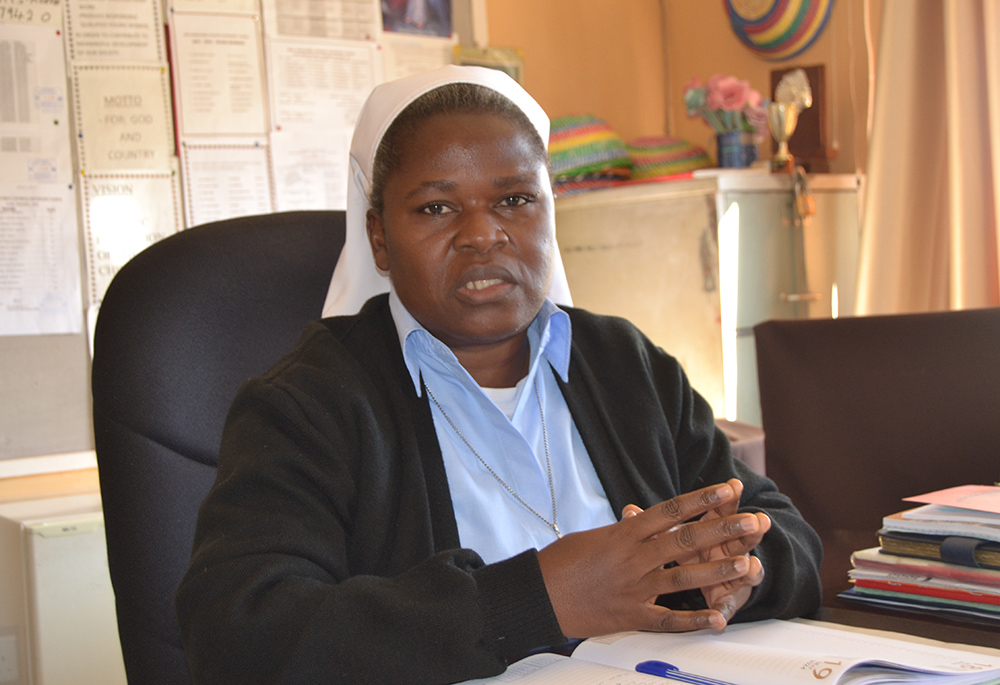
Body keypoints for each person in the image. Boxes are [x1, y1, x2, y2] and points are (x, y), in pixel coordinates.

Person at [175, 65, 822, 684]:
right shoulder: (306, 405)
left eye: (514, 199)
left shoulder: (627, 365)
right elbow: (239, 638)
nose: (482, 234)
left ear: (550, 212)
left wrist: (733, 566)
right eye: (436, 209)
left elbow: (781, 529)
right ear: (378, 238)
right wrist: (538, 599)